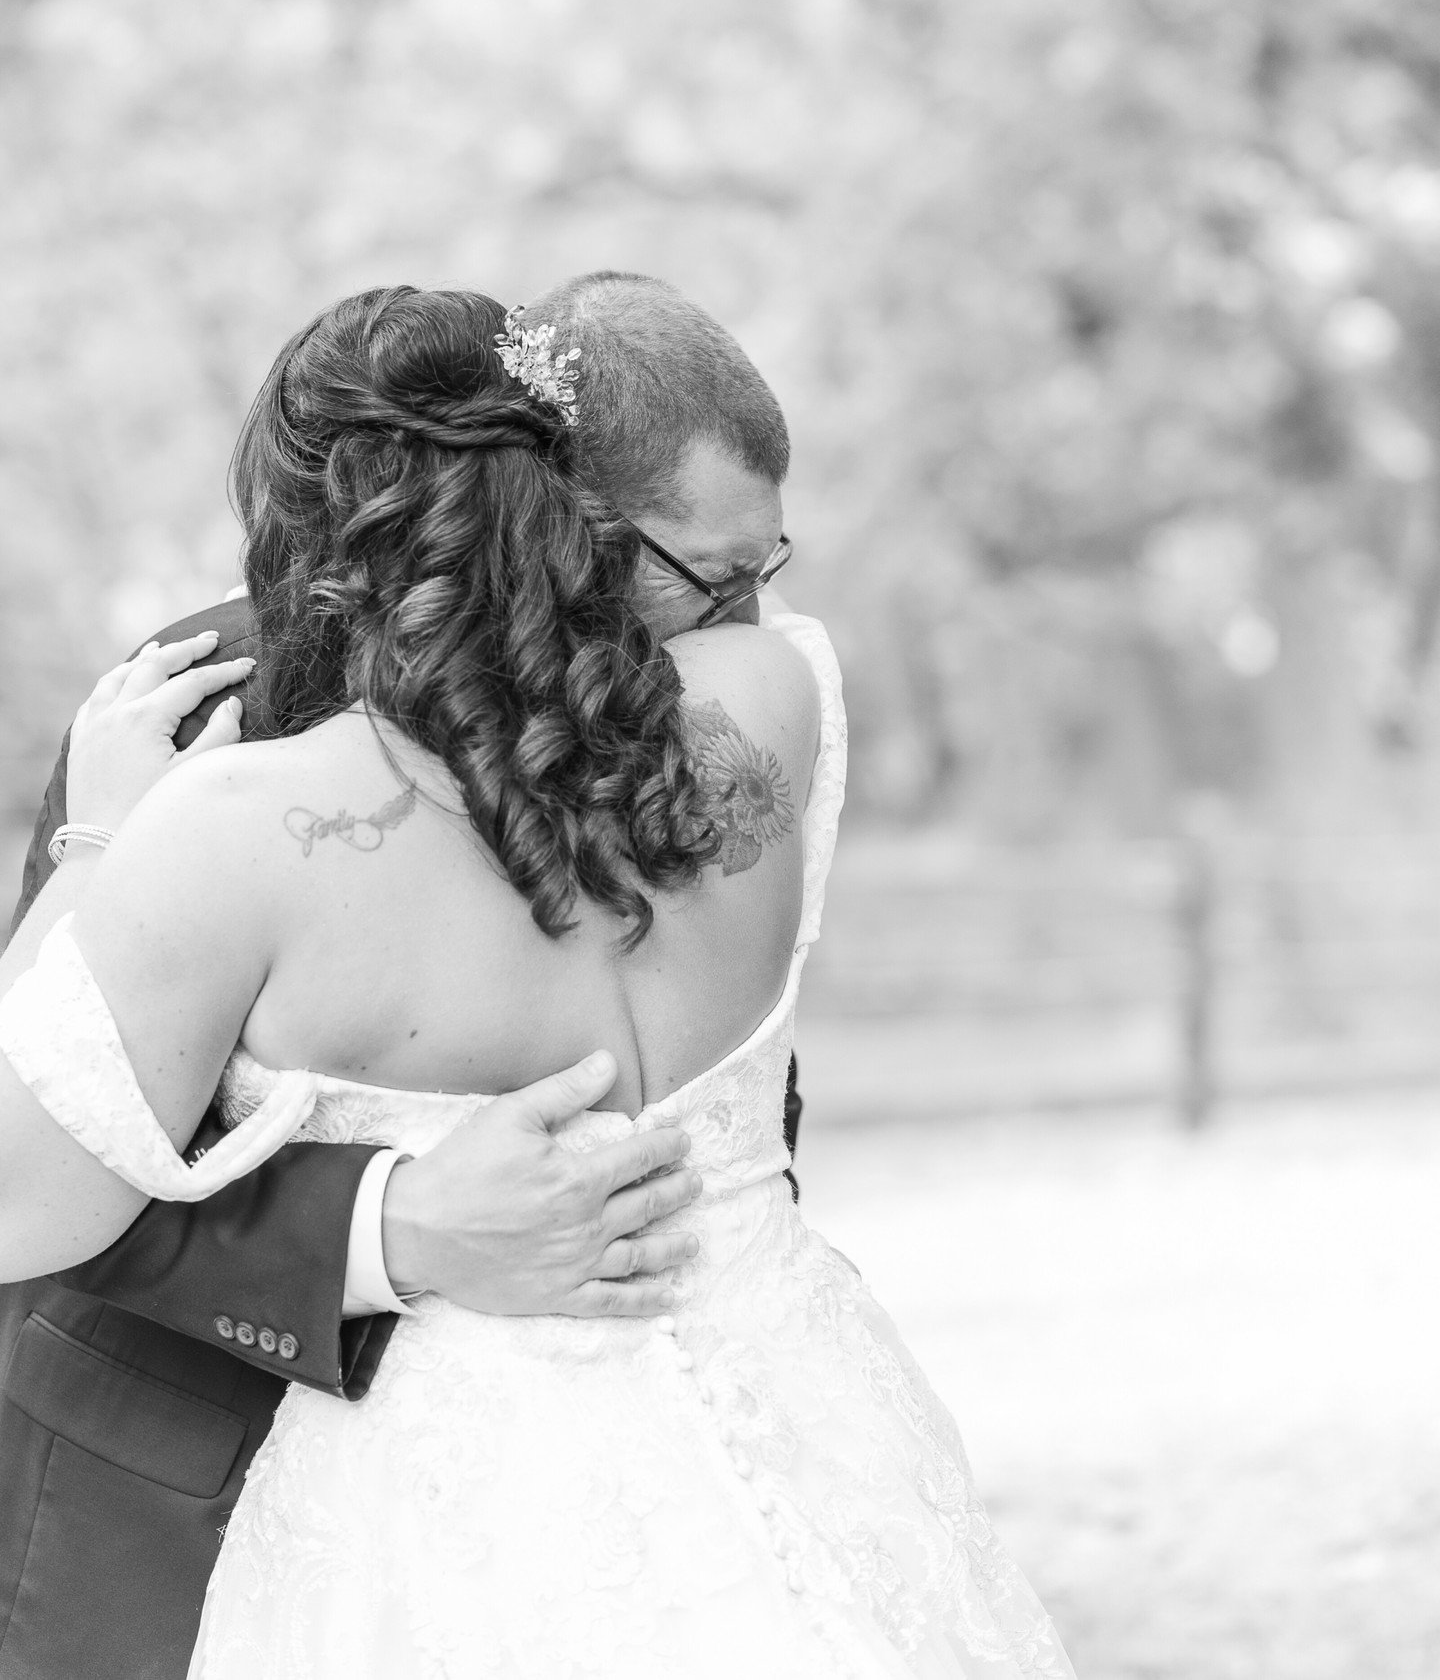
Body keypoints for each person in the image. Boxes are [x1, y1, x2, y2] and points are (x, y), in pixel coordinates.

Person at [1, 286, 1076, 1676]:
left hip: (622, 1448)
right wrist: (386, 1227)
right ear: (563, 514)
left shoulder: (204, 819)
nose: (751, 605)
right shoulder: (195, 714)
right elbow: (73, 1162)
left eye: (764, 568)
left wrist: (108, 839)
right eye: (712, 573)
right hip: (239, 1459)